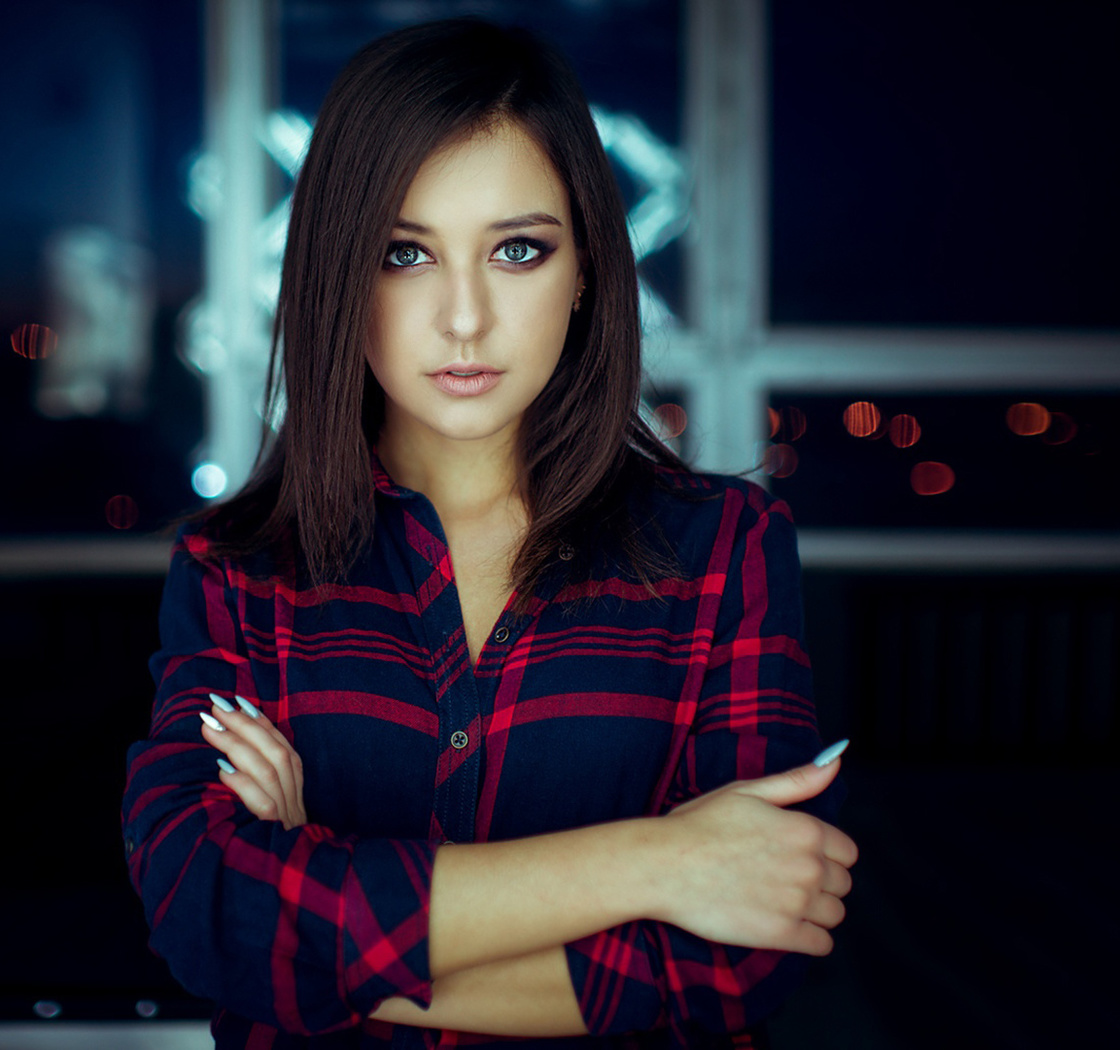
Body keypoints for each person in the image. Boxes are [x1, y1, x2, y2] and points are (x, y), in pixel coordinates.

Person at [122, 19, 857, 1049]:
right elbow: (201, 909)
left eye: (517, 249)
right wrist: (660, 863)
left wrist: (305, 941)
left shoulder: (721, 546)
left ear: (589, 267)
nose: (463, 317)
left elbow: (740, 962)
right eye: (403, 252)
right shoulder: (237, 572)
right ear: (338, 274)